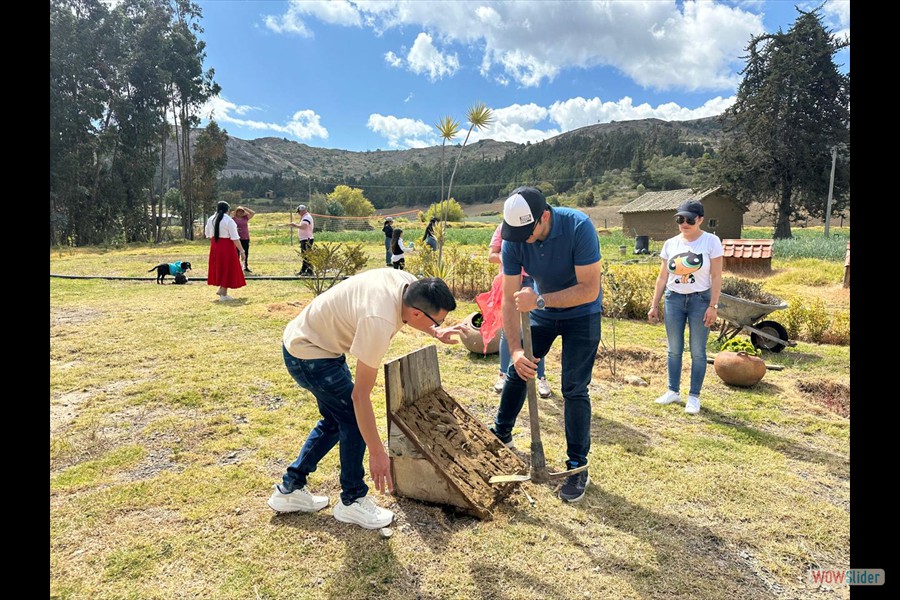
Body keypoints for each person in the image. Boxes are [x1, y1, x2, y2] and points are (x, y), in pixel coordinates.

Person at [267, 271, 464, 529]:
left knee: (336, 420)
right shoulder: (378, 320)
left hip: (315, 342)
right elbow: (360, 397)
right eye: (437, 321)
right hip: (308, 353)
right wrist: (377, 452)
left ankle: (290, 488)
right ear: (416, 313)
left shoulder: (407, 283)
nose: (438, 325)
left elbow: (416, 314)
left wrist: (436, 333)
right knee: (352, 419)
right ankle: (352, 500)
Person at [491, 186, 602, 503]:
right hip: (542, 312)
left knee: (574, 388)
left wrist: (538, 299)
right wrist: (514, 351)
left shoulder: (578, 226)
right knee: (519, 369)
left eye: (529, 231)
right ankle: (501, 435)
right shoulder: (514, 241)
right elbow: (509, 301)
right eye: (517, 232)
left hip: (582, 313)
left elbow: (589, 289)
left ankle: (577, 465)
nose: (523, 238)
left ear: (545, 216)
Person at [647, 199, 723, 415]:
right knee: (673, 349)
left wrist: (713, 305)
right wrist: (654, 305)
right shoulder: (671, 243)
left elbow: (716, 276)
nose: (684, 223)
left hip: (700, 300)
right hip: (674, 300)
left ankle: (694, 396)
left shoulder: (711, 242)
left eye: (689, 219)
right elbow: (662, 277)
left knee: (698, 351)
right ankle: (673, 391)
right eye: (680, 218)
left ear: (700, 220)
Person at [487, 223, 551, 398]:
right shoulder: (502, 228)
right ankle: (503, 374)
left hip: (533, 282)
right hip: (510, 280)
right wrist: (510, 257)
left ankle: (540, 377)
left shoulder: (535, 226)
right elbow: (491, 255)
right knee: (508, 331)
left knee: (536, 331)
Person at [204, 201, 246, 302]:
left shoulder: (211, 219)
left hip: (215, 246)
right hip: (226, 246)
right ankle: (223, 292)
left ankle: (223, 290)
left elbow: (208, 234)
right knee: (228, 267)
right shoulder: (229, 220)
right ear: (228, 210)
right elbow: (235, 238)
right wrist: (242, 251)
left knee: (220, 267)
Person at [289, 204, 315, 275]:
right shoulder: (305, 217)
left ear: (302, 211)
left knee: (307, 256)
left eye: (299, 212)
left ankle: (310, 271)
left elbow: (304, 226)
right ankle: (303, 270)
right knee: (305, 255)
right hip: (305, 239)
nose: (298, 213)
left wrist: (295, 225)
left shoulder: (307, 217)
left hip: (307, 239)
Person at [232, 206, 256, 272]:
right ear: (236, 212)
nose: (240, 212)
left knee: (245, 252)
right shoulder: (233, 219)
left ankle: (245, 266)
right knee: (236, 253)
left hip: (245, 238)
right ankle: (236, 267)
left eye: (242, 211)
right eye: (239, 211)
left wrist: (245, 208)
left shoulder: (245, 218)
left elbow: (253, 213)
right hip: (237, 238)